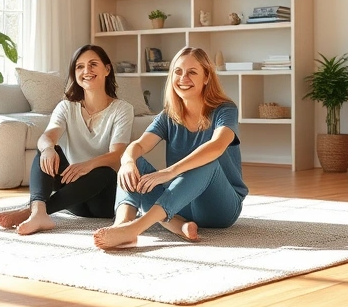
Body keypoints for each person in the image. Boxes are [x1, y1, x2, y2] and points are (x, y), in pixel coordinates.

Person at [94, 47, 248, 250]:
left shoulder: (225, 110)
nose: (183, 78)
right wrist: (128, 162)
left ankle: (137, 228)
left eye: (192, 72)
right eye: (178, 71)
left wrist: (170, 172)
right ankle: (123, 226)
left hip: (219, 207)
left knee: (206, 161)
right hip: (180, 203)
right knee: (135, 163)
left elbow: (217, 145)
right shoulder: (169, 116)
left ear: (206, 77)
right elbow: (139, 145)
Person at [0, 45, 134, 235]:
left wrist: (87, 166)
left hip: (103, 200)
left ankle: (30, 211)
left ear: (107, 69)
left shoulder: (122, 109)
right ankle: (39, 212)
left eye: (93, 64)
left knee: (105, 172)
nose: (86, 71)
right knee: (46, 150)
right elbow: (47, 136)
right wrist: (48, 149)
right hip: (74, 197)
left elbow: (117, 155)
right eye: (80, 67)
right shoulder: (66, 107)